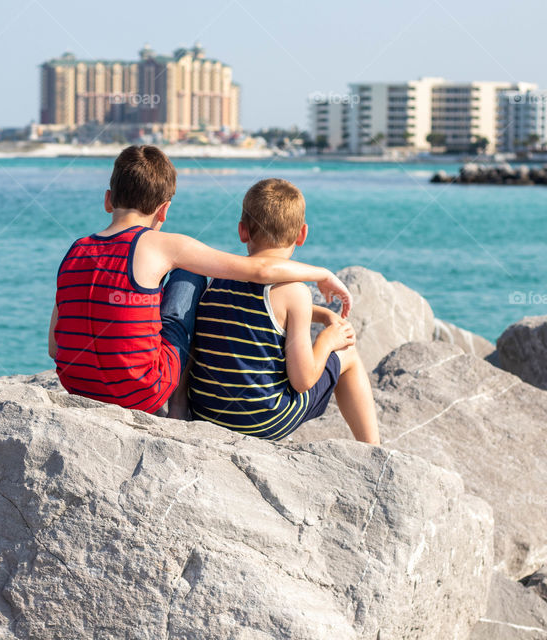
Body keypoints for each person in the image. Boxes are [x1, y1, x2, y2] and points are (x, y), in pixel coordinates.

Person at [48, 146, 353, 417]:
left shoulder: (76, 250)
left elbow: (53, 346)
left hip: (77, 385)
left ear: (108, 200)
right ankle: (180, 405)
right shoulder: (163, 244)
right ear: (164, 210)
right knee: (189, 273)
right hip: (141, 392)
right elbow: (260, 271)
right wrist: (322, 274)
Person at [186, 178, 379, 444]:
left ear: (243, 231)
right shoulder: (294, 292)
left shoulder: (219, 280)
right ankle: (373, 448)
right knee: (348, 354)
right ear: (302, 234)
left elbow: (259, 310)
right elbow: (303, 380)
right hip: (262, 422)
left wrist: (321, 314)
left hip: (206, 413)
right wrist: (327, 341)